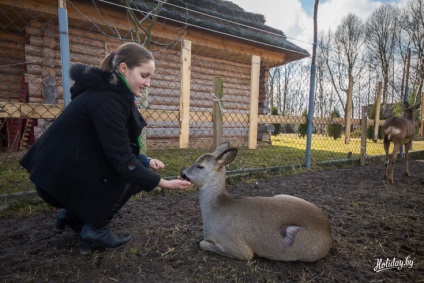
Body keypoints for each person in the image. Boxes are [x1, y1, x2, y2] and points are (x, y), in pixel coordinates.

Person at [19, 42, 192, 254]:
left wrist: (145, 160)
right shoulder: (107, 101)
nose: (148, 83)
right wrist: (164, 183)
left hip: (56, 173)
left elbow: (111, 146)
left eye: (150, 77)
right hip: (57, 180)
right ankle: (96, 229)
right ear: (123, 68)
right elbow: (121, 160)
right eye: (144, 75)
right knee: (131, 176)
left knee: (135, 169)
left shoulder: (111, 95)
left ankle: (73, 216)